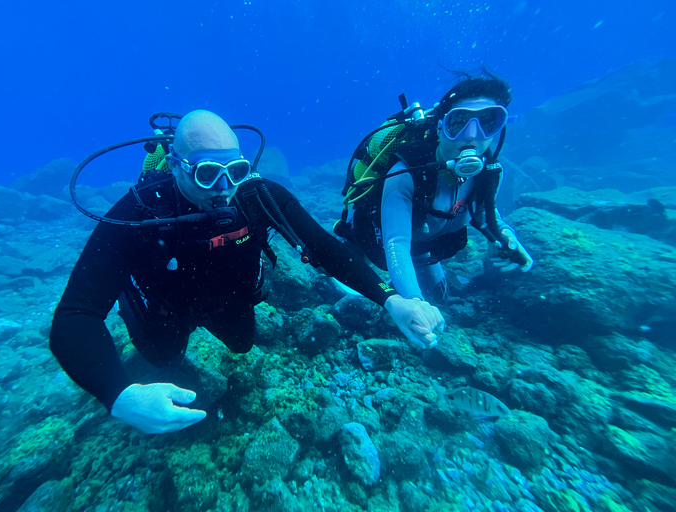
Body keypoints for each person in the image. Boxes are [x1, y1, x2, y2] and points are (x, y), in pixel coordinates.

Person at [50, 110, 445, 435]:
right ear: (175, 167)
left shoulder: (256, 194)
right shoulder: (139, 212)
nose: (224, 188)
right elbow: (74, 314)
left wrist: (391, 299)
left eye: (235, 170)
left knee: (241, 344)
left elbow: (324, 247)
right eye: (207, 174)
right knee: (162, 356)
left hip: (227, 297)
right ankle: (132, 300)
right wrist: (118, 395)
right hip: (166, 308)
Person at [335, 71, 533, 322]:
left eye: (487, 122)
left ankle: (412, 270)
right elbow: (395, 242)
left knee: (440, 300)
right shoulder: (406, 174)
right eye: (458, 122)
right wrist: (413, 302)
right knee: (343, 292)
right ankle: (351, 251)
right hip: (381, 240)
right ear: (440, 127)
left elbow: (486, 214)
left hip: (424, 249)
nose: (472, 135)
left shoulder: (489, 174)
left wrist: (507, 238)